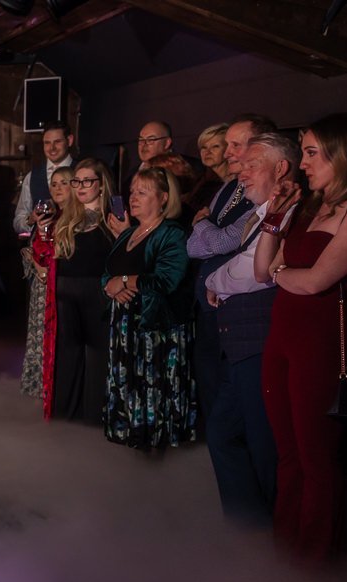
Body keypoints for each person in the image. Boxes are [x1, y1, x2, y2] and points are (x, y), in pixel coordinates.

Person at [256, 113, 347, 564]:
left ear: (343, 154)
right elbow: (261, 270)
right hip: (283, 338)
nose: (303, 163)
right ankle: (285, 553)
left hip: (322, 342)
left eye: (311, 152)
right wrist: (274, 220)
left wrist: (282, 273)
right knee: (287, 454)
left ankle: (315, 568)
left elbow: (315, 282)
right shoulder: (313, 206)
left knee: (316, 458)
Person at [200, 132, 300, 527]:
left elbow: (254, 273)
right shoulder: (259, 212)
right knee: (223, 434)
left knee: (264, 445)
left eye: (251, 163)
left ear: (282, 168)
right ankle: (249, 527)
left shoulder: (290, 210)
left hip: (260, 342)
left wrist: (213, 280)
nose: (239, 172)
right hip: (238, 345)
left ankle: (272, 536)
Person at [187, 114, 275, 422]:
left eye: (234, 145)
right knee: (211, 385)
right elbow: (193, 247)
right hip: (209, 305)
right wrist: (205, 230)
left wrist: (202, 225)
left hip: (238, 308)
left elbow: (225, 242)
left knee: (238, 400)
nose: (227, 153)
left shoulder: (263, 192)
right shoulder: (227, 188)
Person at [101, 167, 196, 449]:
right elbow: (108, 273)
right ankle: (129, 431)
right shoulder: (127, 234)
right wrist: (110, 286)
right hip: (125, 327)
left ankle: (155, 438)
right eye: (132, 192)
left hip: (155, 330)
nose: (133, 197)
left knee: (152, 387)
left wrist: (126, 281)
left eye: (142, 192)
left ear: (164, 198)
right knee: (128, 386)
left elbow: (168, 279)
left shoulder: (172, 233)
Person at [51, 159, 116, 422]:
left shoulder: (114, 213)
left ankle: (94, 415)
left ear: (101, 185)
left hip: (96, 289)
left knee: (99, 352)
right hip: (65, 288)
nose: (80, 186)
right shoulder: (68, 214)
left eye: (87, 181)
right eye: (76, 181)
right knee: (68, 352)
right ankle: (67, 414)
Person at [20, 166, 73, 399]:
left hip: (60, 288)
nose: (58, 188)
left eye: (64, 183)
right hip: (42, 289)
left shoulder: (74, 218)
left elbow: (64, 257)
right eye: (54, 184)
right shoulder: (52, 215)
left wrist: (41, 266)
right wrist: (36, 245)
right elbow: (41, 251)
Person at [13, 121, 76, 238]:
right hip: (41, 250)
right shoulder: (32, 176)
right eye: (47, 143)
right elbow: (17, 223)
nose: (52, 148)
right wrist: (30, 219)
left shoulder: (81, 172)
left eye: (57, 142)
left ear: (69, 140)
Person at [193, 124, 230, 213]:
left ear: (228, 149)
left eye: (215, 146)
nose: (208, 152)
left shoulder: (238, 184)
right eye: (204, 147)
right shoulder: (196, 183)